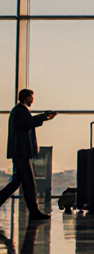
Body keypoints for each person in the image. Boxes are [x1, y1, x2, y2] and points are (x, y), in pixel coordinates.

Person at [0, 90, 56, 221]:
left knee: (17, 182)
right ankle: (34, 211)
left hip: (20, 152)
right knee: (28, 182)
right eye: (31, 97)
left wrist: (42, 117)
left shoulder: (19, 111)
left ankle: (34, 210)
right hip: (21, 152)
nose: (33, 99)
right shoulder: (20, 111)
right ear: (26, 97)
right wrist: (43, 117)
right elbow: (27, 123)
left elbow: (27, 122)